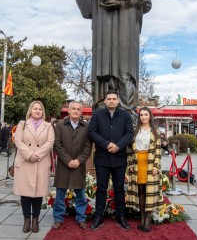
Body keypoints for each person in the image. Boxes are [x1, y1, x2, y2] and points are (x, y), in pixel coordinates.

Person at [69, 0, 151, 110]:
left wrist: (120, 1)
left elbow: (146, 3)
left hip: (125, 36)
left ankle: (127, 113)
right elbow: (87, 10)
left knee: (125, 75)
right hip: (103, 40)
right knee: (102, 77)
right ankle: (101, 113)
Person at [88, 90, 134, 230]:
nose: (112, 101)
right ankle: (98, 217)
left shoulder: (125, 115)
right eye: (109, 99)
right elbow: (91, 132)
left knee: (119, 189)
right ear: (105, 101)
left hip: (119, 159)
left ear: (118, 101)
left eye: (114, 98)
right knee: (101, 189)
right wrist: (106, 144)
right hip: (102, 159)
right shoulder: (97, 115)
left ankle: (121, 216)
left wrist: (119, 146)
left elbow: (129, 133)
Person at [13, 101, 55, 233]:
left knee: (38, 193)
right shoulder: (22, 124)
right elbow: (18, 141)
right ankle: (27, 219)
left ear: (43, 112)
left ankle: (35, 219)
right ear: (30, 111)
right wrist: (29, 154)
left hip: (40, 161)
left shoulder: (48, 126)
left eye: (40, 109)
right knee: (25, 193)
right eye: (35, 109)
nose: (38, 111)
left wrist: (37, 154)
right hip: (25, 161)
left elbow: (50, 142)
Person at [52, 101, 92, 230]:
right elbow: (57, 145)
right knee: (60, 194)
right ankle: (58, 218)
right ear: (68, 111)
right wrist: (68, 160)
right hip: (64, 165)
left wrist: (78, 161)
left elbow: (88, 147)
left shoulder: (86, 127)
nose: (75, 111)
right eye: (73, 108)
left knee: (80, 194)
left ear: (81, 112)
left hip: (78, 165)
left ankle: (81, 218)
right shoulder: (60, 126)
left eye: (78, 109)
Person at [126, 107, 164, 232]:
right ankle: (142, 217)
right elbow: (130, 150)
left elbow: (158, 151)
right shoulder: (135, 131)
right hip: (138, 164)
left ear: (150, 116)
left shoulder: (155, 131)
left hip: (150, 164)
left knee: (149, 193)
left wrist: (156, 167)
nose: (143, 117)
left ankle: (148, 218)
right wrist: (130, 165)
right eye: (141, 115)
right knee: (141, 191)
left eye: (145, 115)